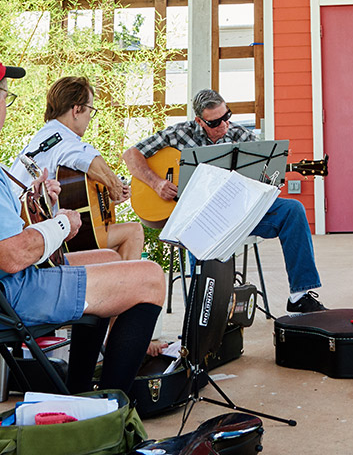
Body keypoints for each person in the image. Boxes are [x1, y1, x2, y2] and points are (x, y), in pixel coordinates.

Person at [0, 56, 167, 400]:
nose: (6, 107)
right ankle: (107, 412)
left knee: (108, 258)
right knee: (148, 277)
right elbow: (11, 255)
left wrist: (36, 204)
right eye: (6, 97)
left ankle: (78, 393)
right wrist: (61, 224)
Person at [123, 89, 326, 315]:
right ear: (199, 120)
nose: (224, 125)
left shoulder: (242, 136)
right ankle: (206, 310)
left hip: (238, 213)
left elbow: (268, 176)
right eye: (215, 122)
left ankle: (299, 296)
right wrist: (157, 183)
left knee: (293, 210)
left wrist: (269, 181)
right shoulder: (179, 134)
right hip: (199, 218)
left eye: (226, 116)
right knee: (197, 231)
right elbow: (131, 155)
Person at [16, 75, 144, 261]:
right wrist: (114, 186)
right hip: (44, 245)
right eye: (90, 110)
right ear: (76, 110)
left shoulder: (42, 139)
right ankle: (124, 287)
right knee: (134, 231)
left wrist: (107, 200)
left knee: (113, 249)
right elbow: (89, 159)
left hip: (33, 235)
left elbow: (74, 198)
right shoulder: (61, 138)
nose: (90, 119)